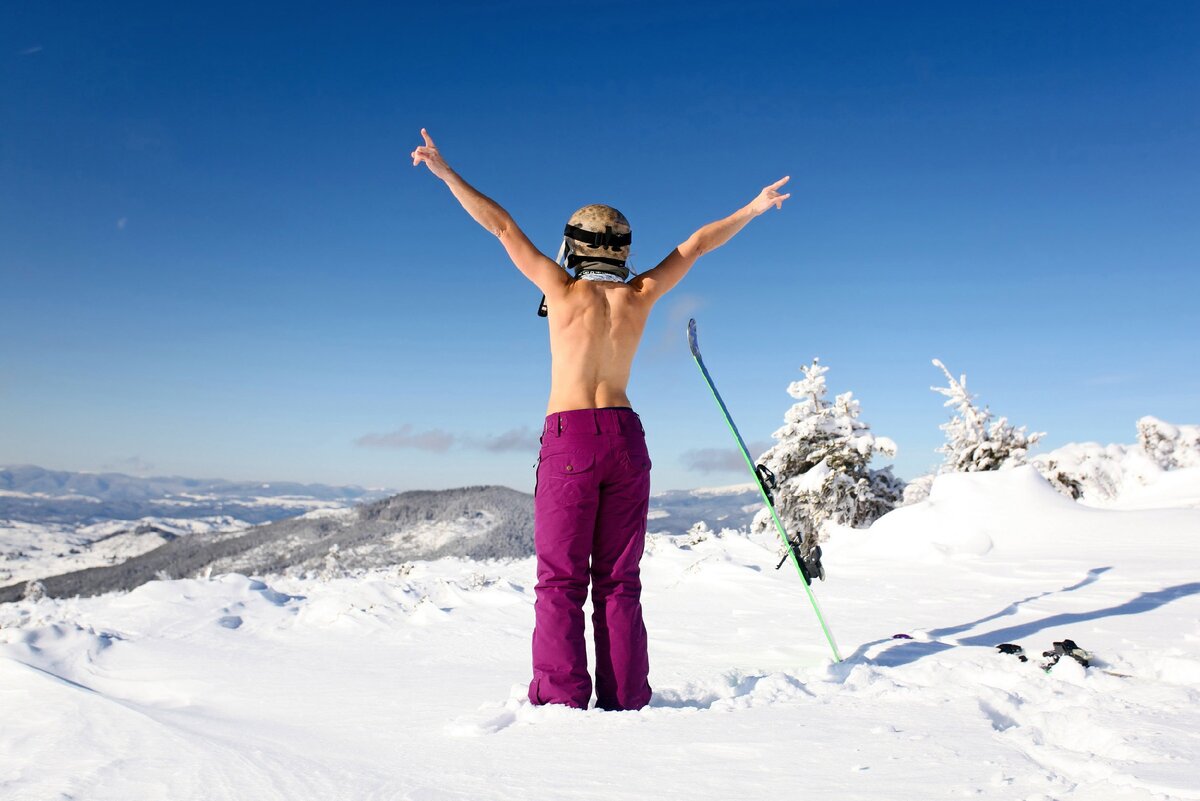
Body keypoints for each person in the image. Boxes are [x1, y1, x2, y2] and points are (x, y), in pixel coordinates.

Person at [411, 128, 790, 711]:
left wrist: (445, 172)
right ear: (622, 248)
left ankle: (561, 702)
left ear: (573, 244)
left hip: (572, 439)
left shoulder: (561, 290)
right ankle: (626, 698)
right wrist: (755, 207)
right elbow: (695, 246)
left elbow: (502, 227)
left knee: (560, 581)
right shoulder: (637, 296)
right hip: (625, 437)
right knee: (619, 581)